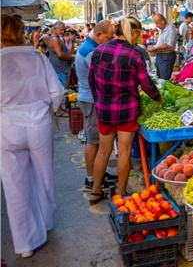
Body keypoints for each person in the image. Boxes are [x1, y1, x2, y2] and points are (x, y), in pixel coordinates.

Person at [0, 15, 65, 259]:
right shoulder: (38, 58)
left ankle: (26, 242)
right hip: (39, 125)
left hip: (7, 128)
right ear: (21, 32)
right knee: (44, 176)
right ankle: (46, 224)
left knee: (14, 185)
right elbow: (56, 93)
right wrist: (42, 107)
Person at [88, 17, 162, 203]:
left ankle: (96, 191)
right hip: (127, 111)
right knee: (124, 153)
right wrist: (157, 97)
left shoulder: (98, 51)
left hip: (105, 110)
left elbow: (91, 81)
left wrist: (99, 101)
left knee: (103, 152)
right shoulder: (135, 54)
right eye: (139, 34)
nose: (139, 38)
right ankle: (121, 193)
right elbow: (146, 84)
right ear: (134, 32)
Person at [74, 20, 118, 193]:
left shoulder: (89, 47)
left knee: (98, 141)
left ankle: (99, 173)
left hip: (90, 98)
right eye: (108, 37)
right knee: (93, 140)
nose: (110, 41)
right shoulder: (91, 52)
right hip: (91, 100)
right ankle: (91, 179)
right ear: (98, 35)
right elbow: (103, 77)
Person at [48, 21, 75, 116]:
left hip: (60, 68)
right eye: (61, 29)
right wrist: (72, 57)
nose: (63, 31)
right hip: (59, 68)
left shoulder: (57, 39)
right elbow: (60, 54)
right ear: (55, 28)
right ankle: (58, 110)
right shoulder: (55, 39)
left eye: (64, 29)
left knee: (60, 89)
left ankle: (59, 109)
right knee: (59, 90)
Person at [148, 13, 178, 80]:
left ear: (163, 21)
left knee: (164, 79)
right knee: (159, 78)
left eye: (157, 23)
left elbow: (169, 45)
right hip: (160, 56)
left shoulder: (170, 30)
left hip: (166, 56)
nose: (156, 25)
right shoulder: (161, 30)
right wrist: (154, 46)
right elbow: (161, 44)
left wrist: (155, 48)